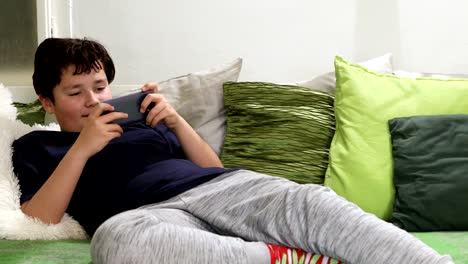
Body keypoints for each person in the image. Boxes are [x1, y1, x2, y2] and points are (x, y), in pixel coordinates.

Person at [12, 37, 453, 264]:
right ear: (47, 101)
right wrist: (83, 149)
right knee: (115, 243)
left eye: (100, 87)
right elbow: (40, 217)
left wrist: (175, 120)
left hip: (218, 188)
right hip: (147, 214)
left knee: (309, 200)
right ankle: (286, 258)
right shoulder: (39, 145)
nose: (93, 101)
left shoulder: (143, 124)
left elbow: (214, 169)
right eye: (75, 92)